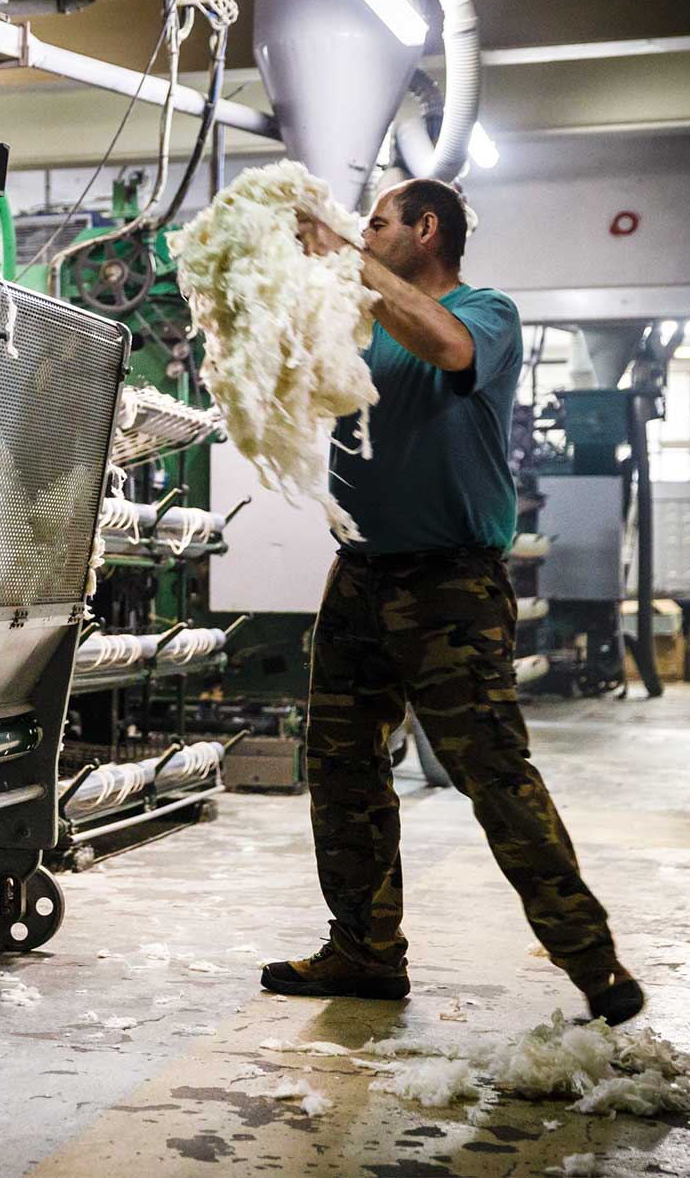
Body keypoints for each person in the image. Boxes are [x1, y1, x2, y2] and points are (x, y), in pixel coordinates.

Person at [260, 178, 644, 1026]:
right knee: (341, 768)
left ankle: (594, 962)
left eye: (380, 222)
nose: (366, 233)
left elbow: (449, 349)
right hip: (359, 574)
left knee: (492, 772)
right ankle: (365, 950)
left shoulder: (486, 311)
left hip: (449, 584)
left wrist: (348, 260)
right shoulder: (368, 322)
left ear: (426, 230)